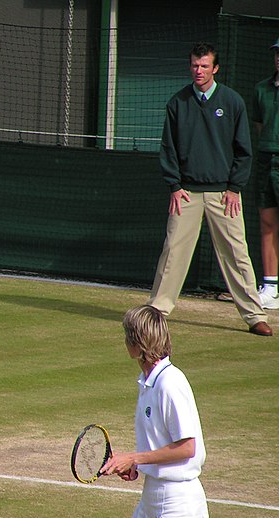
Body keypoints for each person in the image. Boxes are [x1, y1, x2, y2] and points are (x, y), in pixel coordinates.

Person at [147, 42, 272, 336]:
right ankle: (157, 312)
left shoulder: (232, 102)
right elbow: (169, 148)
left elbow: (244, 151)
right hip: (186, 193)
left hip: (224, 195)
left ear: (215, 68)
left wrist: (233, 187)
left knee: (237, 253)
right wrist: (175, 186)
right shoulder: (177, 103)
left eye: (204, 66)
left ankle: (255, 316)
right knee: (173, 252)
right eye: (194, 65)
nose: (198, 71)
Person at [102, 305, 212, 518]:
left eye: (126, 336)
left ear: (136, 344)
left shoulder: (170, 383)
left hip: (178, 506)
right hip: (151, 501)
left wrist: (135, 457)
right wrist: (138, 468)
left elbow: (188, 447)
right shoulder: (148, 383)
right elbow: (160, 444)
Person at [252, 38, 279, 310]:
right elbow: (260, 127)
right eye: (277, 53)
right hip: (265, 160)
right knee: (268, 223)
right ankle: (270, 287)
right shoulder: (261, 90)